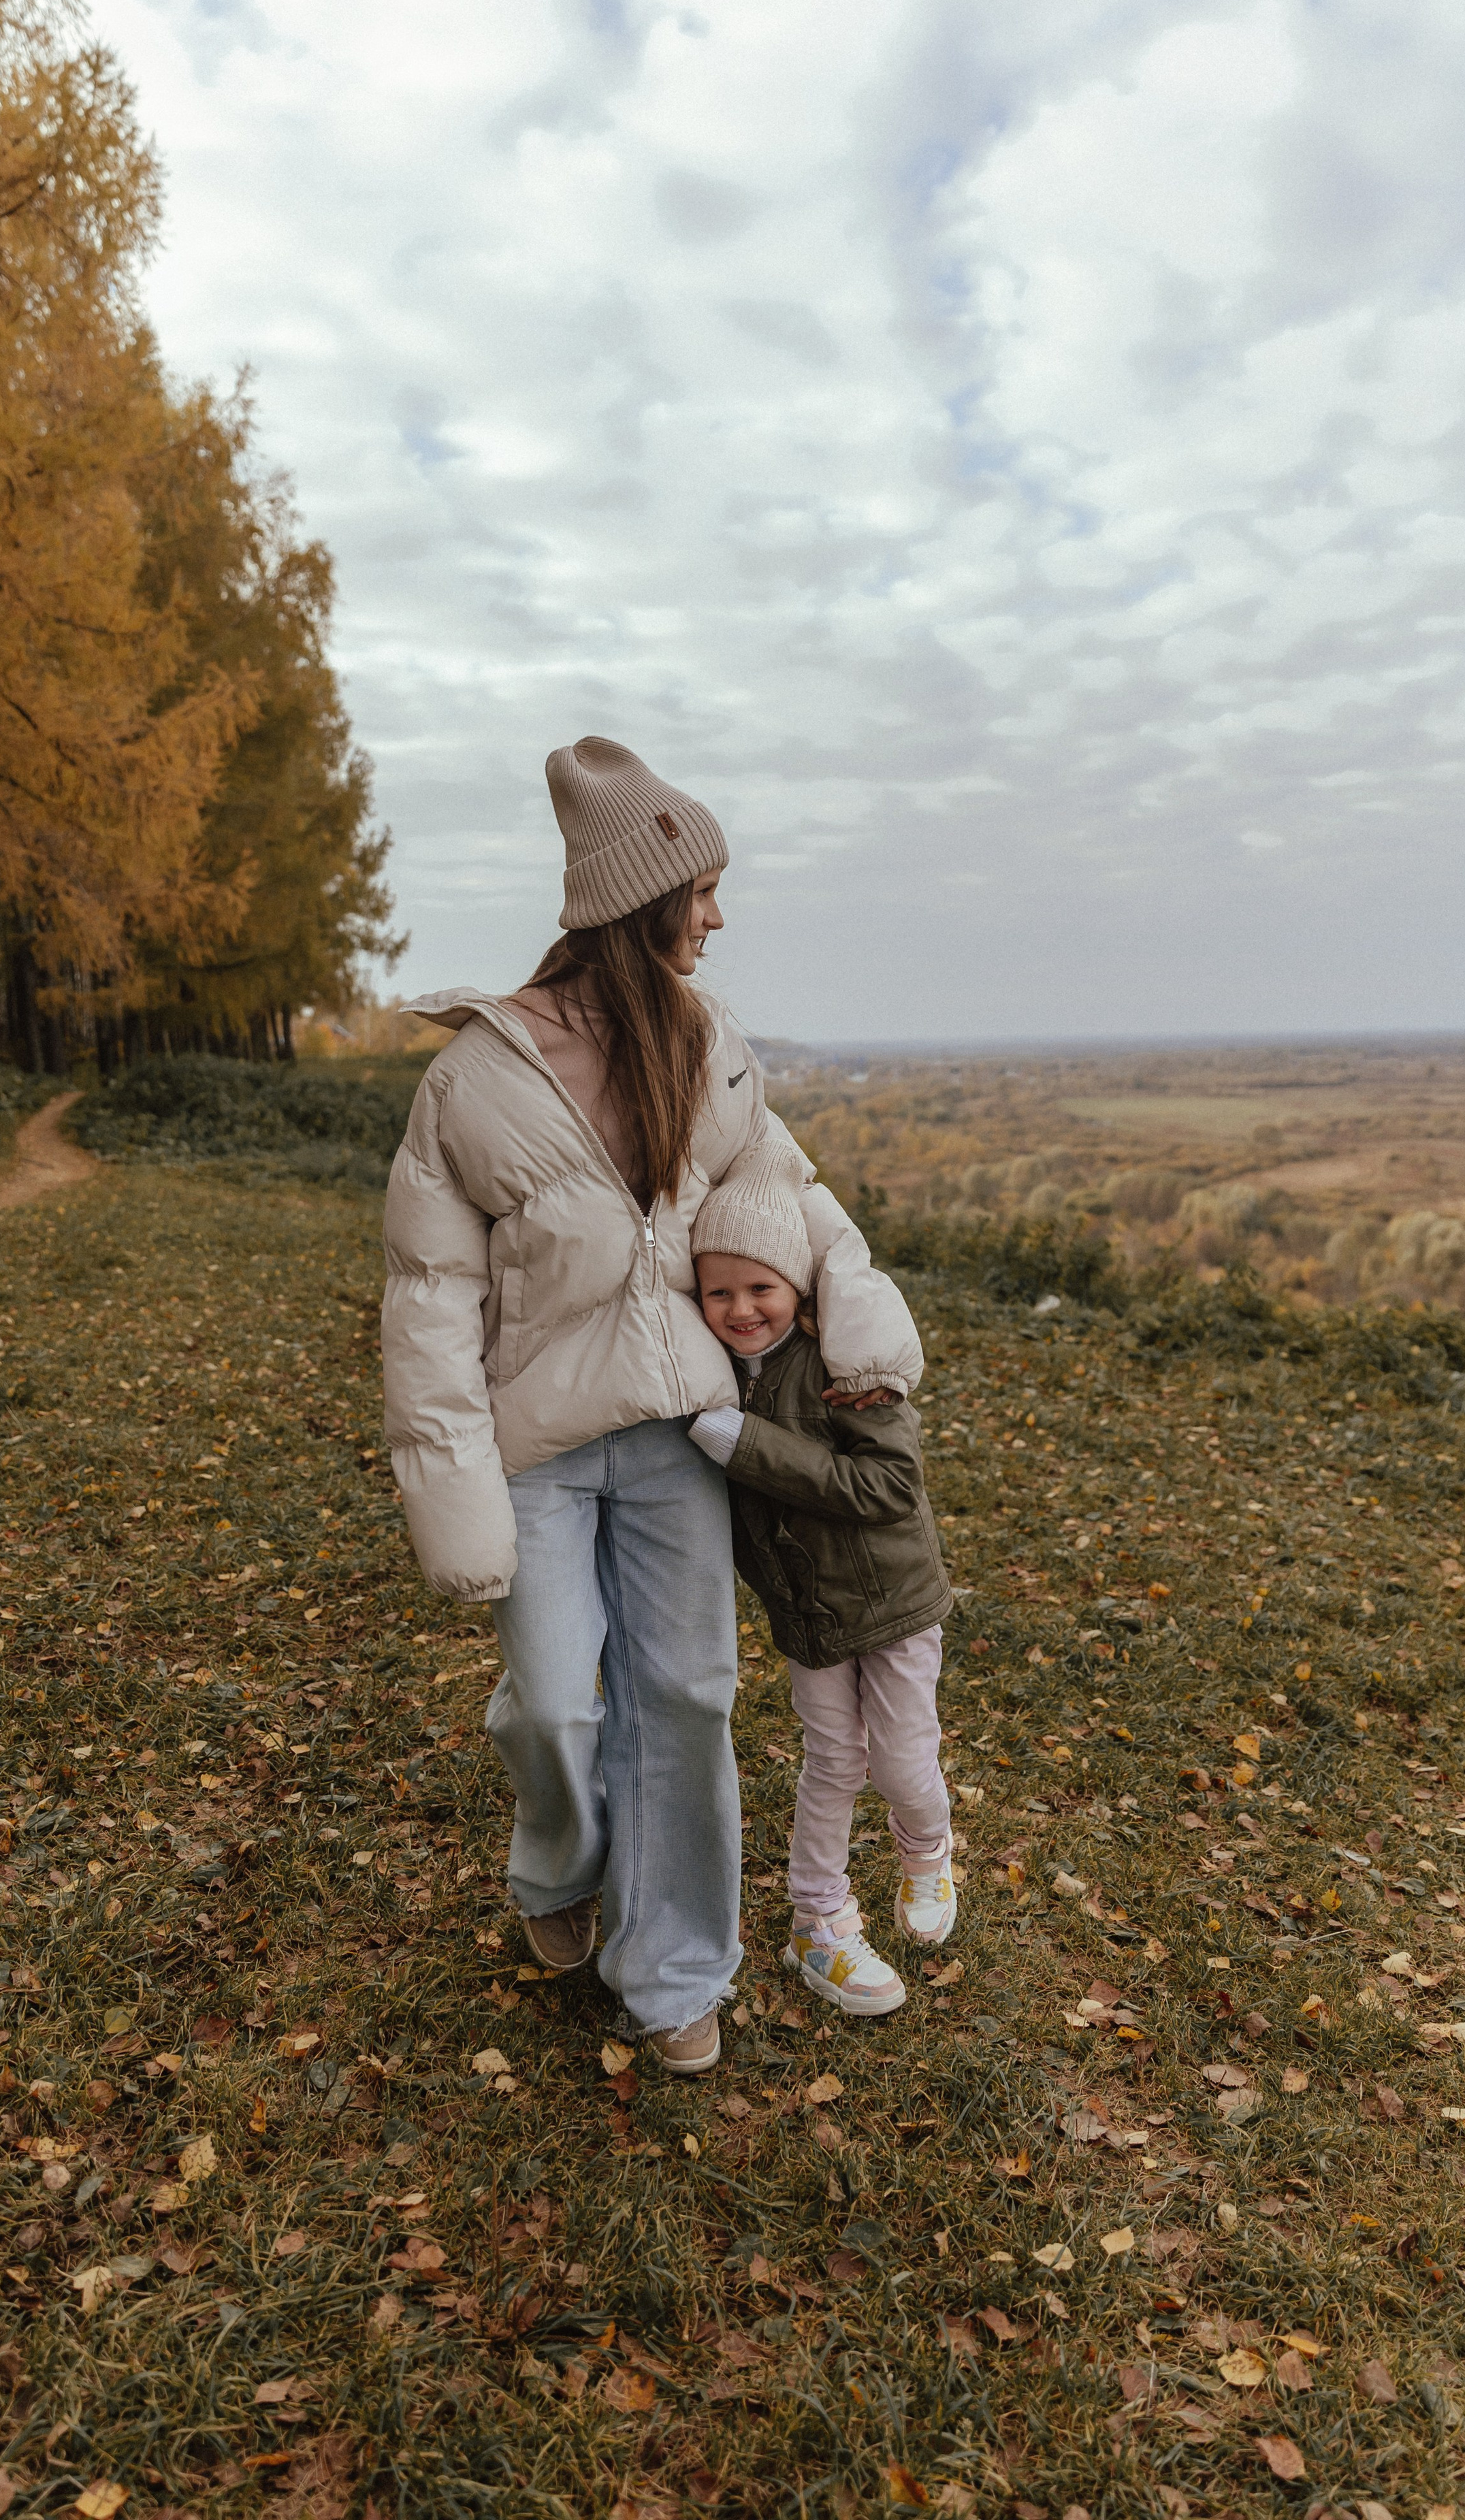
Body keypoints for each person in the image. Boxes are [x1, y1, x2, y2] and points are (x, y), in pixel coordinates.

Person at [380, 737, 922, 2075]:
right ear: (642, 897)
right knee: (559, 1703)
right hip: (540, 1448)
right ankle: (557, 1860)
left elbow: (793, 1199)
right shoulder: (474, 1081)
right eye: (704, 890)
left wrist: (861, 1316)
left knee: (681, 1698)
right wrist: (449, 1498)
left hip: (683, 1434)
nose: (718, 919)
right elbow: (427, 1299)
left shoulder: (706, 1045)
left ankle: (673, 1968)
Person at [686, 1138, 956, 2020]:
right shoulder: (712, 1375)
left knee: (903, 1761)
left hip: (894, 1605)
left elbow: (888, 1488)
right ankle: (819, 1916)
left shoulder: (847, 1371)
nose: (741, 1308)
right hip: (808, 1614)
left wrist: (748, 1445)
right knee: (832, 1760)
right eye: (718, 1291)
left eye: (760, 1287)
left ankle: (927, 1847)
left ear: (797, 1287)